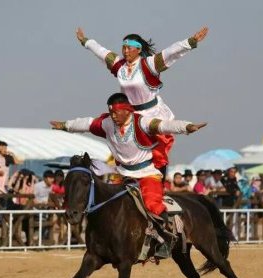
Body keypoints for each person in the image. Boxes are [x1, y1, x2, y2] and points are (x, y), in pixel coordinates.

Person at [50, 92, 206, 223]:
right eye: (110, 113)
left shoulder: (142, 123)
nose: (113, 116)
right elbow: (86, 124)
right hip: (122, 175)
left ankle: (164, 238)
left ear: (127, 110)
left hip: (147, 174)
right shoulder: (108, 123)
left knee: (153, 204)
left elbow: (164, 126)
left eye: (116, 112)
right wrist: (65, 125)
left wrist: (186, 127)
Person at [76, 27, 208, 176]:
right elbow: (101, 52)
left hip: (153, 113)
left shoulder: (149, 64)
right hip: (130, 115)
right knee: (125, 150)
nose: (125, 51)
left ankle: (159, 183)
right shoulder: (120, 66)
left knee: (157, 153)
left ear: (138, 49)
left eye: (129, 48)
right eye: (123, 48)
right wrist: (86, 41)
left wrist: (191, 41)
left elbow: (171, 52)